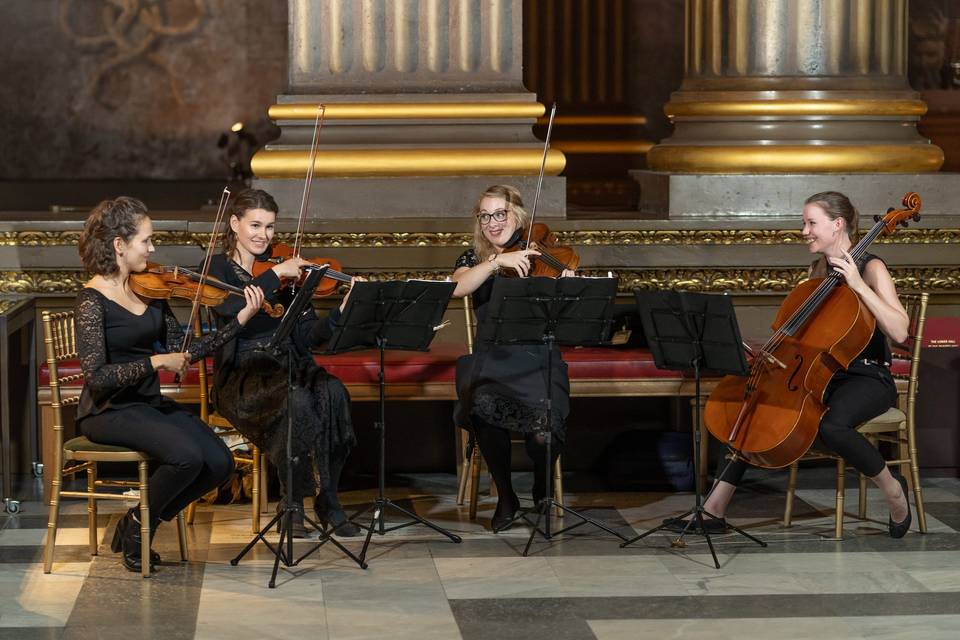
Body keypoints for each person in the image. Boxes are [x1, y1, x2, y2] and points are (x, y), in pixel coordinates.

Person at [666, 191, 913, 538]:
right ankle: (714, 509)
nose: (804, 231)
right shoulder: (817, 270)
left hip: (865, 376)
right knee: (753, 406)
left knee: (833, 427)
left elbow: (900, 330)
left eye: (811, 223)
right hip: (819, 373)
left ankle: (892, 487)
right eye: (804, 223)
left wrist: (858, 284)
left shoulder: (871, 267)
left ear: (837, 224)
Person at [75, 197, 265, 572]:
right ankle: (142, 526)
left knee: (219, 462)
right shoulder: (91, 300)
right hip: (108, 410)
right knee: (187, 457)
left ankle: (138, 521)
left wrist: (239, 320)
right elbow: (96, 376)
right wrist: (156, 361)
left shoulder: (150, 291)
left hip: (147, 405)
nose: (152, 248)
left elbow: (186, 351)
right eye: (146, 240)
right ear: (119, 245)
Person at [205, 188, 361, 537]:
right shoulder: (217, 268)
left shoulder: (288, 276)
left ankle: (329, 499)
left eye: (270, 227)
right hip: (244, 374)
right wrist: (276, 276)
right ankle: (291, 501)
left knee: (333, 392)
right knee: (297, 400)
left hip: (290, 364)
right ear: (234, 224)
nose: (264, 236)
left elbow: (309, 336)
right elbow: (230, 309)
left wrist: (342, 310)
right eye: (255, 226)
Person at [452, 184, 576, 531]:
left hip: (539, 357)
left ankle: (541, 481)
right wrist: (495, 262)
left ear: (518, 215)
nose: (493, 223)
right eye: (485, 216)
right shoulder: (473, 258)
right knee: (483, 407)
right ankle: (506, 495)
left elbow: (567, 311)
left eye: (500, 214)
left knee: (544, 434)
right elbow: (458, 286)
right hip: (492, 359)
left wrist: (567, 285)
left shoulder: (539, 255)